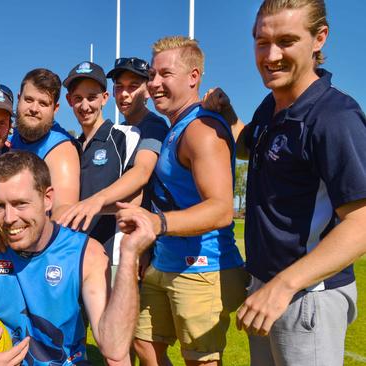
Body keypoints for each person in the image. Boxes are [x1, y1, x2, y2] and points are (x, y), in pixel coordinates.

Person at [203, 1, 366, 364]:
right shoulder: (271, 105)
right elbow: (251, 145)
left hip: (307, 294)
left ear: (319, 38)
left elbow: (362, 222)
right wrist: (227, 113)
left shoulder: (334, 116)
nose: (271, 55)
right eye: (262, 42)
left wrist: (283, 286)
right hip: (267, 289)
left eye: (287, 41)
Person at [0, 151, 156, 365]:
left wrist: (129, 256)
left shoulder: (86, 254)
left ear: (47, 198)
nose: (8, 218)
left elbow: (113, 347)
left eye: (20, 204)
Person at [116, 36, 246, 366]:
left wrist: (157, 225)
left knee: (200, 360)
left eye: (165, 75)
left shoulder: (201, 128)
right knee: (143, 343)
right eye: (153, 76)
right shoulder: (177, 126)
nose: (154, 84)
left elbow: (219, 209)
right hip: (165, 261)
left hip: (202, 266)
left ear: (194, 77)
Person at [60, 61, 140, 270]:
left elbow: (135, 200)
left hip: (110, 259)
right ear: (69, 101)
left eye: (92, 97)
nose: (85, 106)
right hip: (72, 258)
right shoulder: (70, 147)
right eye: (78, 98)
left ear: (105, 98)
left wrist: (89, 206)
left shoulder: (126, 137)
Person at [10, 68, 80, 219]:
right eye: (28, 100)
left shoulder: (62, 148)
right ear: (18, 98)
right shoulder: (8, 137)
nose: (34, 109)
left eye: (43, 103)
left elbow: (64, 210)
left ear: (55, 109)